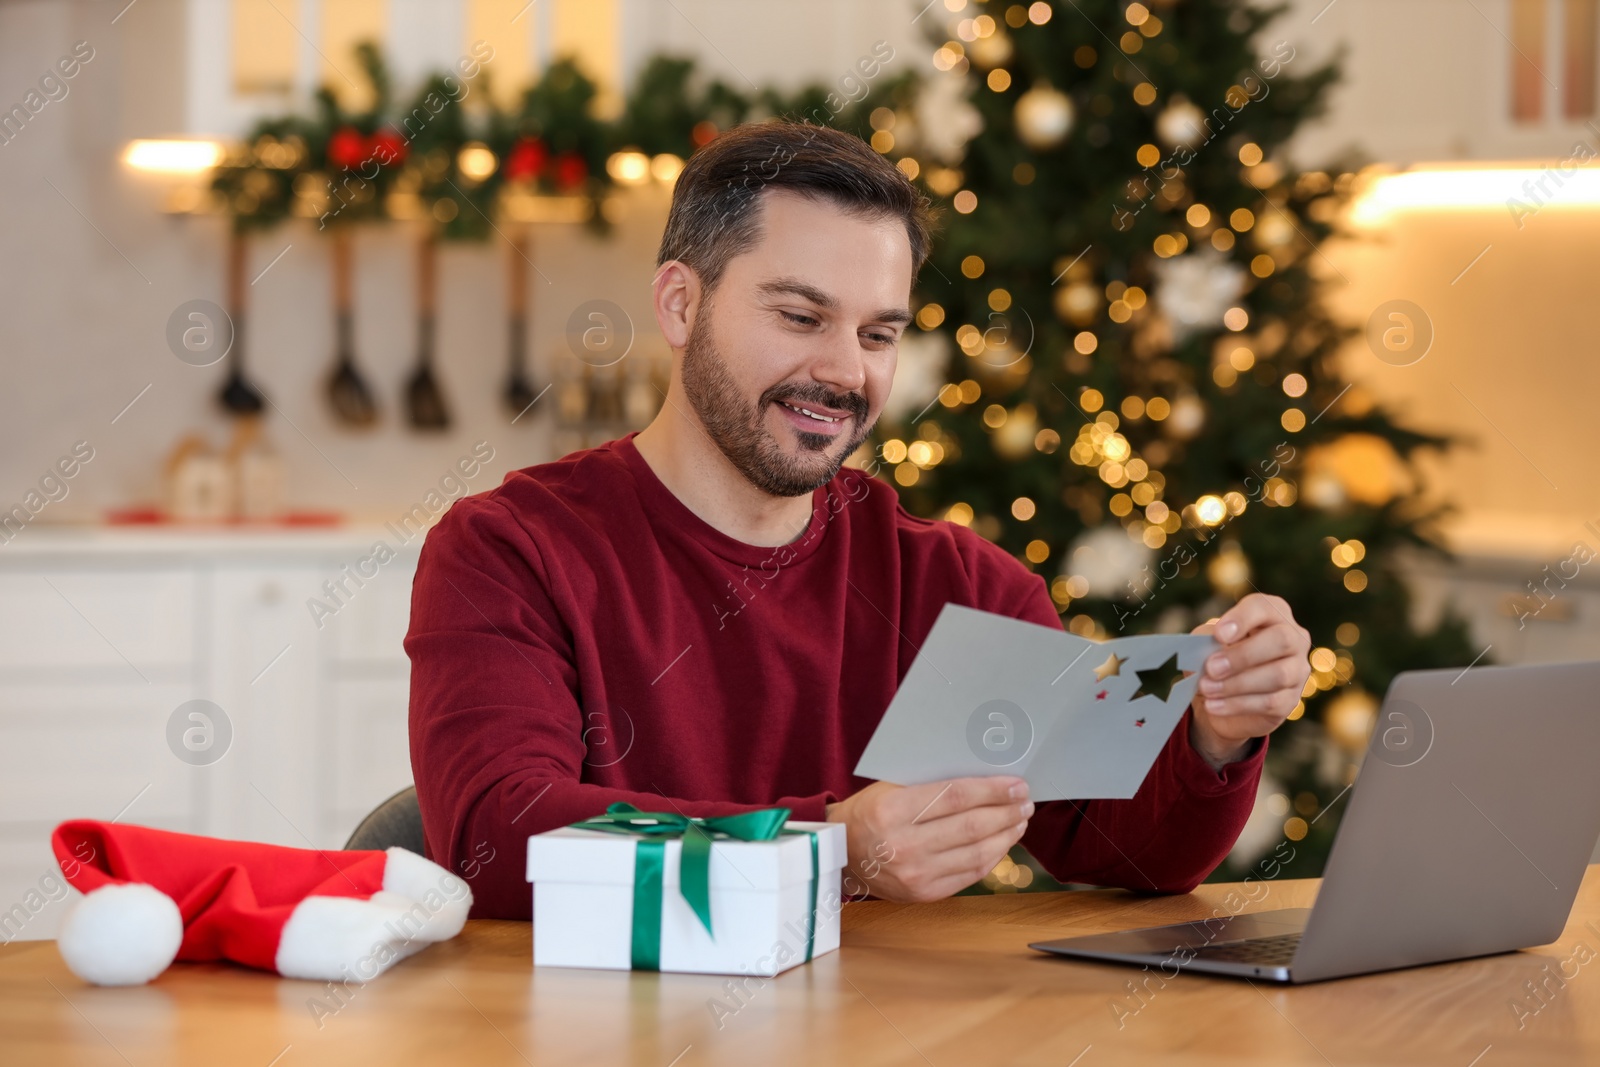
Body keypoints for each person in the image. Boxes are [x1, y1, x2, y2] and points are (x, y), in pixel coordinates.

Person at [405, 119, 1312, 920]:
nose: (845, 372)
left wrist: (1214, 729)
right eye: (802, 316)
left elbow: (1122, 851)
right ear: (681, 304)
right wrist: (828, 846)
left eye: (878, 334)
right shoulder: (508, 549)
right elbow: (497, 835)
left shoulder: (955, 585)